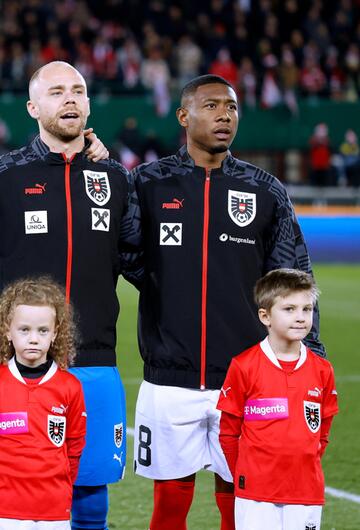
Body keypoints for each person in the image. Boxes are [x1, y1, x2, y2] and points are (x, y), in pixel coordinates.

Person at [131, 74, 325, 530]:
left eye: (232, 107)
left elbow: (293, 278)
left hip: (243, 379)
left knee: (238, 504)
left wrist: (311, 356)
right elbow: (122, 256)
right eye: (212, 105)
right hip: (168, 377)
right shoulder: (147, 183)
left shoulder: (265, 190)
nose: (224, 115)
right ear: (183, 116)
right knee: (169, 505)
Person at [0, 61, 143, 530]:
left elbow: (141, 262)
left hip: (93, 357)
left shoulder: (116, 178)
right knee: (13, 485)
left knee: (90, 488)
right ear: (33, 107)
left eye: (78, 91)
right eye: (57, 91)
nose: (70, 99)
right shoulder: (6, 175)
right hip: (15, 362)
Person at [217, 269, 338, 530]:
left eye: (307, 309)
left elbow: (323, 429)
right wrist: (247, 472)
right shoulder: (243, 366)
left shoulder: (322, 370)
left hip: (305, 490)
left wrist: (304, 461)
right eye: (289, 309)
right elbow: (228, 432)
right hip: (255, 492)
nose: (300, 318)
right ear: (265, 316)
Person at [0, 276, 87, 529]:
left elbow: (74, 446)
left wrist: (60, 488)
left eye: (43, 330)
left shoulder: (69, 386)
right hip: (6, 509)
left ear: (55, 333)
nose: (34, 339)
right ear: (8, 330)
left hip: (54, 510)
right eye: (24, 330)